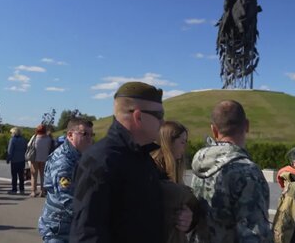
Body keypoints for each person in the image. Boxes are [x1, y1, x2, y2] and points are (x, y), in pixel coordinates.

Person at [70, 81, 192, 243]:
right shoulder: (100, 160)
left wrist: (188, 217)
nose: (163, 122)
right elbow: (87, 233)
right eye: (159, 116)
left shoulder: (142, 156)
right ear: (138, 116)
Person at [190, 100, 272, 243]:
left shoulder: (199, 165)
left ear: (214, 130)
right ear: (247, 126)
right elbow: (254, 233)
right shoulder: (247, 171)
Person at [38, 118, 94, 243]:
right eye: (85, 134)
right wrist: (93, 217)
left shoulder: (81, 155)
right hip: (59, 229)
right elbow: (67, 199)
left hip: (72, 226)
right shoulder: (63, 162)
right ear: (70, 135)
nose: (90, 138)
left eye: (91, 134)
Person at [151, 121, 198, 243]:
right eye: (182, 142)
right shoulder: (152, 171)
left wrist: (189, 217)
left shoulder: (174, 171)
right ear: (169, 142)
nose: (185, 147)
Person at [29, 124, 52, 197]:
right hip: (45, 158)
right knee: (43, 176)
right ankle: (42, 191)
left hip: (35, 158)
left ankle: (33, 191)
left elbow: (28, 145)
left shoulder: (34, 137)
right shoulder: (48, 139)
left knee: (34, 175)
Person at [6, 127, 27, 195]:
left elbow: (10, 150)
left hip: (14, 160)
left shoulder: (12, 140)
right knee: (21, 176)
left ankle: (14, 189)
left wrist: (8, 159)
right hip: (22, 159)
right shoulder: (23, 139)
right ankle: (22, 189)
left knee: (14, 176)